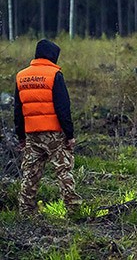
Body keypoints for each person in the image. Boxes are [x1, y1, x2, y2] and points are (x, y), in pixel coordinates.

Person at [14, 39, 81, 216]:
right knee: (63, 170)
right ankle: (73, 209)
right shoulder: (54, 75)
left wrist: (21, 136)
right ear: (52, 55)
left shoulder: (21, 76)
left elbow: (18, 110)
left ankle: (26, 210)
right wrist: (69, 134)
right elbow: (63, 107)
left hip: (31, 133)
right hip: (54, 134)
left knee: (30, 172)